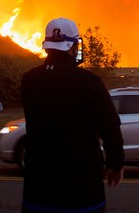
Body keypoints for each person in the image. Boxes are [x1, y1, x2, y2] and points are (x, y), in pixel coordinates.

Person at [20, 17, 124, 213]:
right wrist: (116, 162)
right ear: (73, 46)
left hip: (39, 187)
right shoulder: (89, 82)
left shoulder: (29, 80)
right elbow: (110, 125)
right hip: (81, 188)